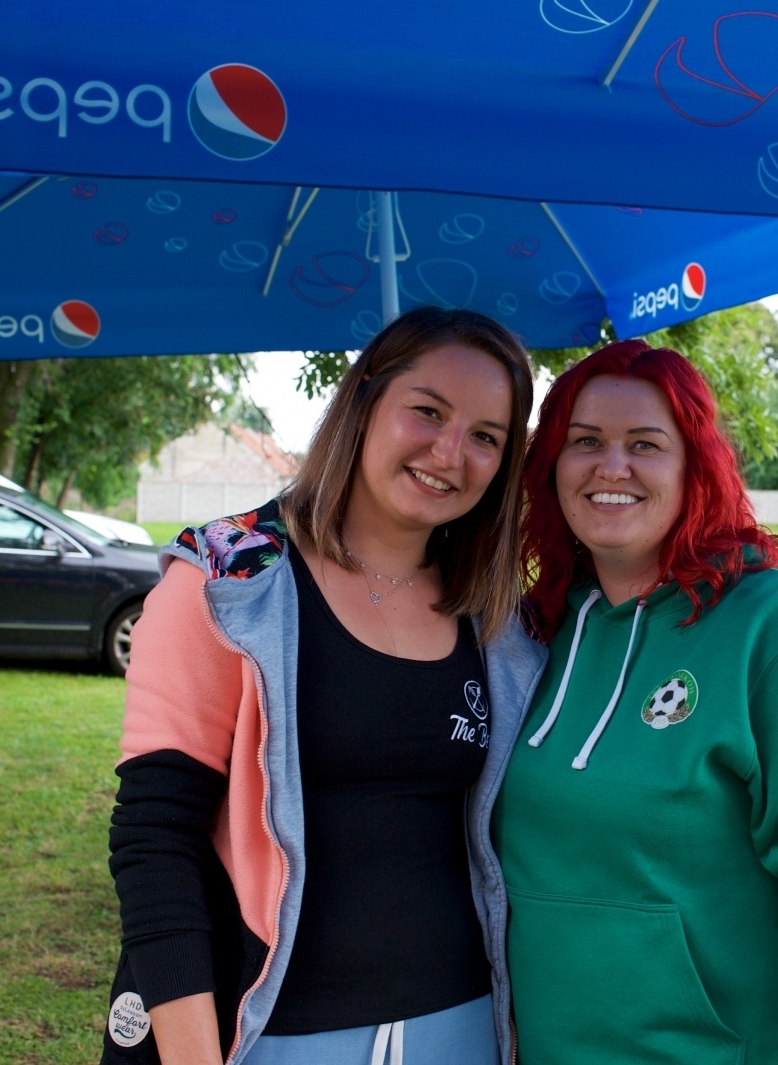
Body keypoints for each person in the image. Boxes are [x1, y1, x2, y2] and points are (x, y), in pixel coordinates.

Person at [103, 306, 546, 1065]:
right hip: (270, 1030)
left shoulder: (499, 618)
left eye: (486, 436)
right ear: (365, 398)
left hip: (462, 1025)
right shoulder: (225, 578)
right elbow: (154, 839)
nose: (450, 451)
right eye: (427, 411)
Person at [492, 340, 778, 1065]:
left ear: (696, 468)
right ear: (551, 466)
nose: (611, 466)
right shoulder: (534, 631)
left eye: (646, 444)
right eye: (584, 441)